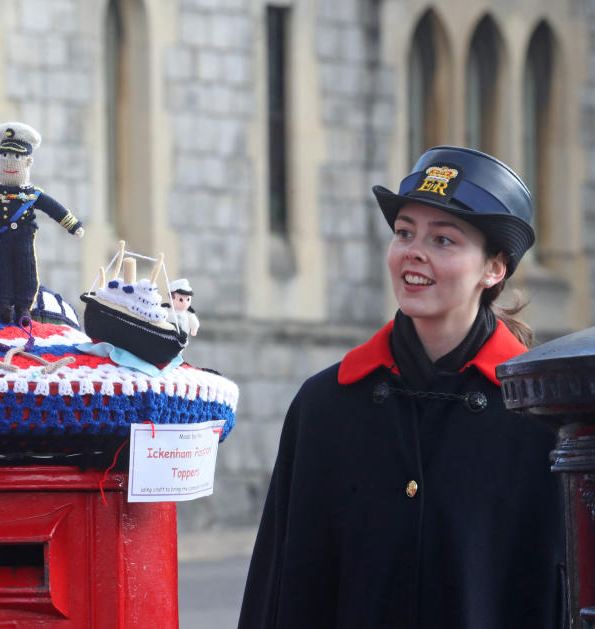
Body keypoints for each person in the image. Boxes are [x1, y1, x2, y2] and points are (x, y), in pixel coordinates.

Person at [238, 146, 566, 629]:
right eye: (405, 233)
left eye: (444, 240)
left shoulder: (545, 417)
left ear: (494, 269)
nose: (414, 251)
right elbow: (280, 585)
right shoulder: (325, 406)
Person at [0, 122, 85, 324]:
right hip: (3, 239)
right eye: (4, 157)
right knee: (2, 270)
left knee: (26, 271)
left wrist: (73, 225)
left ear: (27, 162)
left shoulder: (32, 195)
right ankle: (2, 304)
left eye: (16, 157)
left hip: (24, 239)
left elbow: (54, 209)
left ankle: (23, 307)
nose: (9, 163)